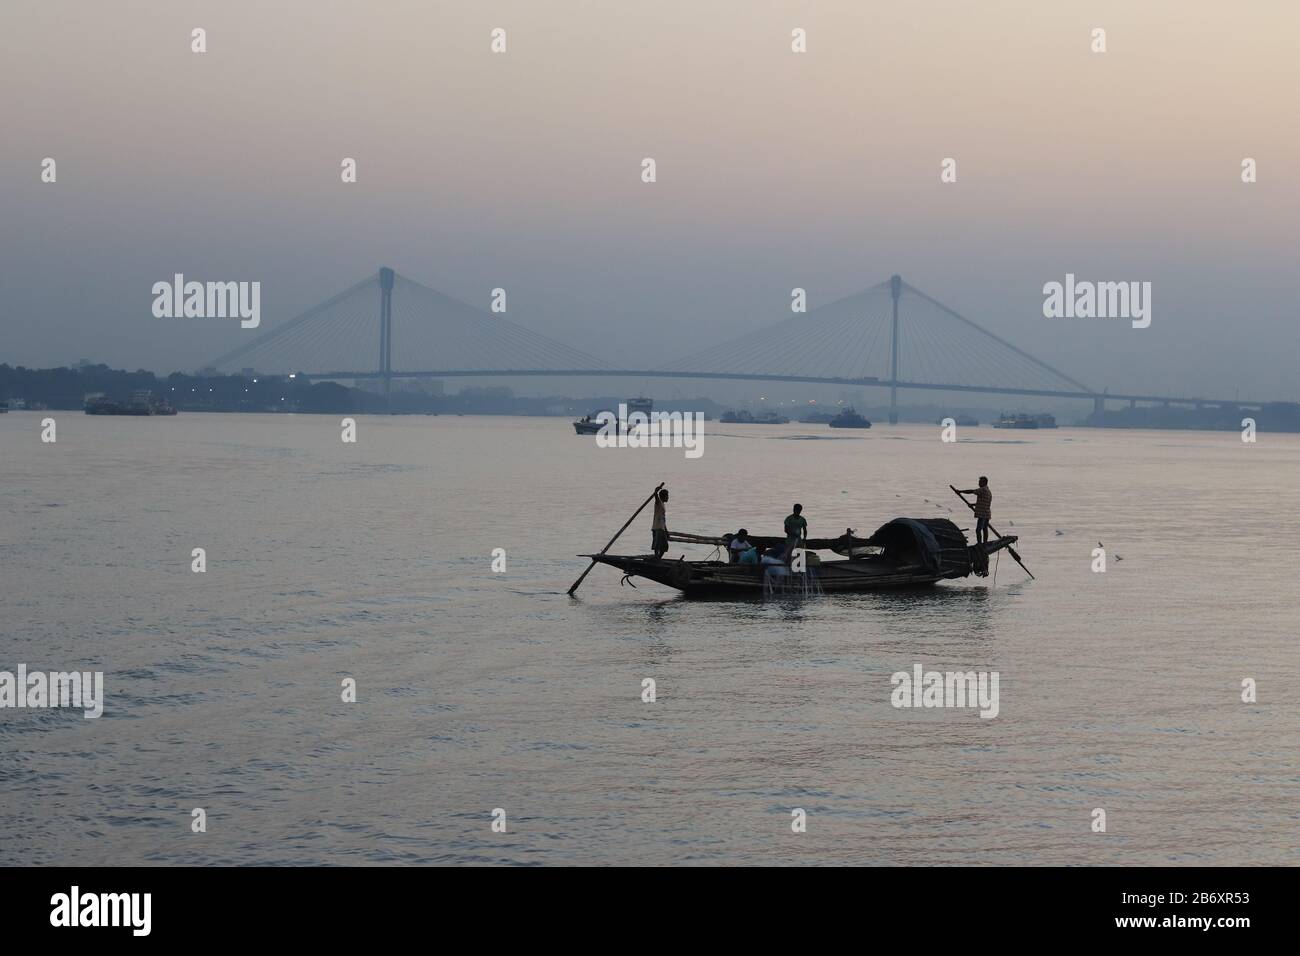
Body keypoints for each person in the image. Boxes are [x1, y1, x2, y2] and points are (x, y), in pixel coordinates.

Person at [960, 477, 993, 544]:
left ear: (984, 482)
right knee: (984, 529)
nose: (978, 483)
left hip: (982, 514)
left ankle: (980, 544)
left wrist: (960, 491)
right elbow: (983, 502)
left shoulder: (983, 489)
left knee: (978, 530)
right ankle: (985, 543)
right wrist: (972, 505)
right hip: (987, 513)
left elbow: (972, 491)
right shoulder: (988, 491)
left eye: (980, 482)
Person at [651, 488, 670, 559]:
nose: (668, 498)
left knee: (664, 546)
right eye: (667, 496)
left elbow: (663, 519)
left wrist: (666, 530)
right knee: (657, 545)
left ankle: (658, 558)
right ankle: (657, 558)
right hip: (657, 527)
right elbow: (656, 497)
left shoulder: (662, 504)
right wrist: (656, 491)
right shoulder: (658, 503)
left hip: (661, 527)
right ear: (663, 497)